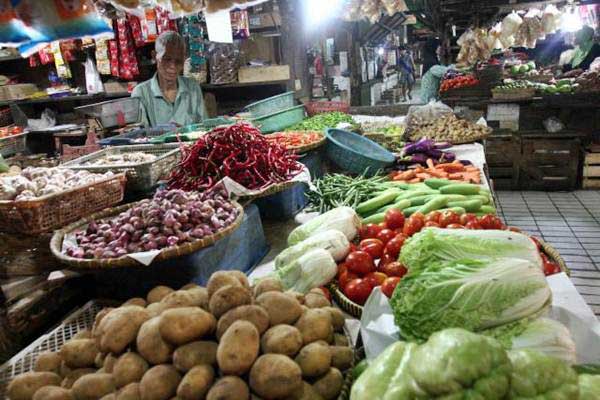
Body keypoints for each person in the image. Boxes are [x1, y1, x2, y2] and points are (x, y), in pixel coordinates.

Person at [132, 31, 207, 128]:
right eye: (167, 59)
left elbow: (204, 127)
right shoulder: (141, 93)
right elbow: (140, 135)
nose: (173, 66)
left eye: (178, 61)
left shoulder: (192, 87)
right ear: (155, 56)